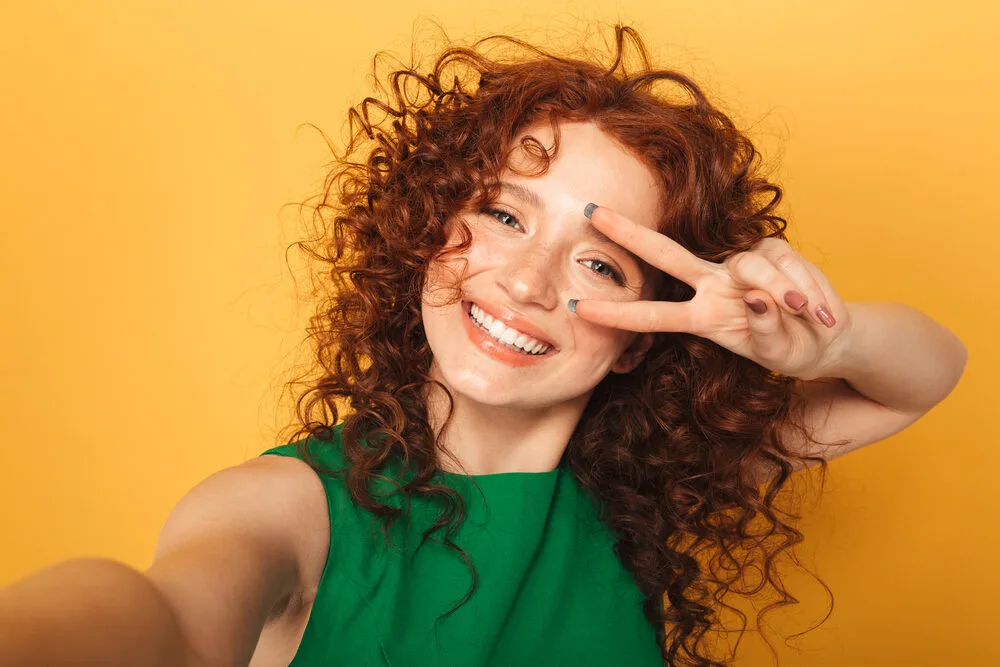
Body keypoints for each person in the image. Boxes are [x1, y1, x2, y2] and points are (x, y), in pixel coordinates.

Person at [0, 24, 967, 667]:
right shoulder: (285, 506)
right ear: (428, 228)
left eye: (601, 266)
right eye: (503, 214)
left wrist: (808, 343)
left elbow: (925, 375)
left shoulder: (640, 497)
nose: (528, 281)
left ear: (639, 341)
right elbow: (162, 620)